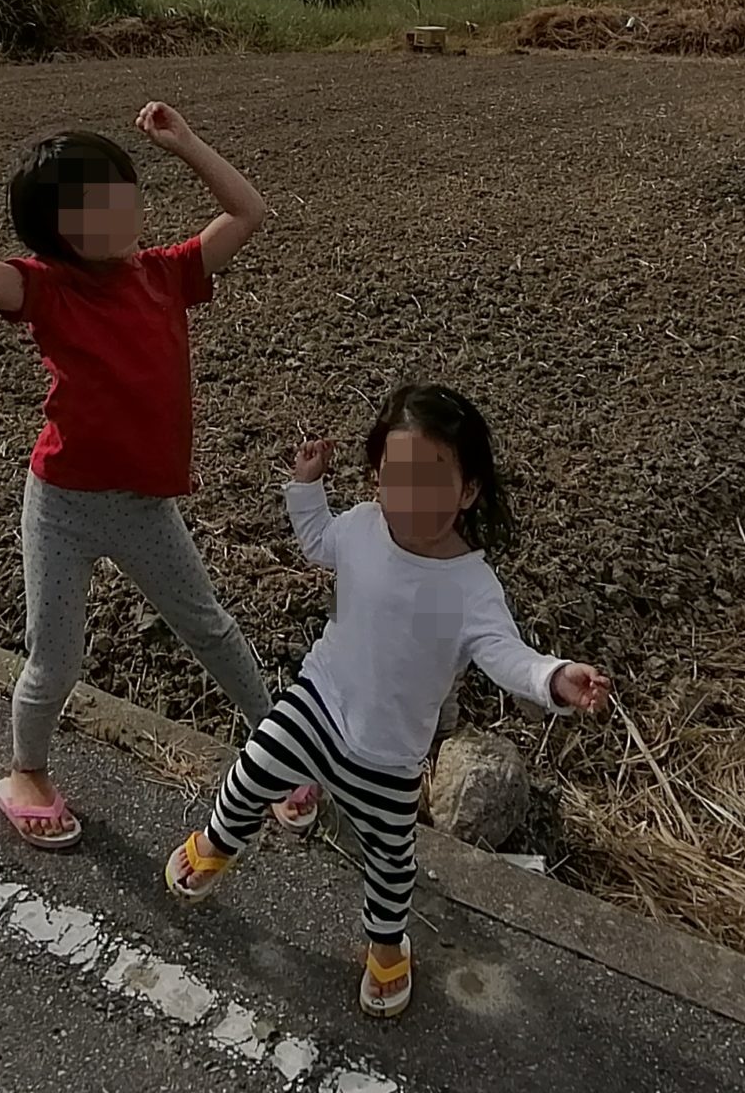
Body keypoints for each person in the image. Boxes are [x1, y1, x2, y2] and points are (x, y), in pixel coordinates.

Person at [0, 100, 307, 849]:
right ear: (55, 230)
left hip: (143, 508)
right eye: (88, 206)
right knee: (56, 658)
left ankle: (277, 748)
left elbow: (249, 211)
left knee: (212, 629)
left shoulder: (166, 275)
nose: (114, 210)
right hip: (62, 504)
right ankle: (25, 773)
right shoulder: (47, 289)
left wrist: (187, 141)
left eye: (119, 190)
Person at [162, 384, 613, 1019]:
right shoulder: (362, 528)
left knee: (389, 866)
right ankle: (216, 845)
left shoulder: (471, 586)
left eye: (431, 481)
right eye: (395, 478)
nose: (410, 498)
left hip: (389, 754)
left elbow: (505, 653)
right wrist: (307, 487)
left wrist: (554, 676)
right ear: (376, 480)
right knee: (250, 773)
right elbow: (317, 540)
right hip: (319, 701)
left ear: (468, 491)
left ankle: (386, 948)